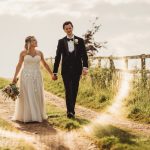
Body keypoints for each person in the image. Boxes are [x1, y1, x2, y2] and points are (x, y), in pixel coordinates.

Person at [52, 21, 88, 119]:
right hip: (66, 70)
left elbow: (84, 55)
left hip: (77, 69)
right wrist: (55, 72)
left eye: (70, 28)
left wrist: (85, 67)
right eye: (66, 28)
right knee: (68, 90)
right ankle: (70, 112)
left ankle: (72, 109)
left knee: (74, 90)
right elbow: (58, 57)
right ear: (64, 30)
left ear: (72, 28)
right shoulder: (61, 41)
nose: (68, 30)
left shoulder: (79, 40)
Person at [12, 36, 53, 123]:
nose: (36, 41)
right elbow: (19, 65)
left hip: (37, 76)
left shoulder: (40, 53)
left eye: (35, 40)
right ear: (29, 43)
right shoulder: (23, 53)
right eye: (34, 40)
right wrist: (15, 77)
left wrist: (51, 74)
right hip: (26, 76)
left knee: (37, 93)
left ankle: (37, 115)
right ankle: (27, 116)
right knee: (27, 94)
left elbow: (45, 64)